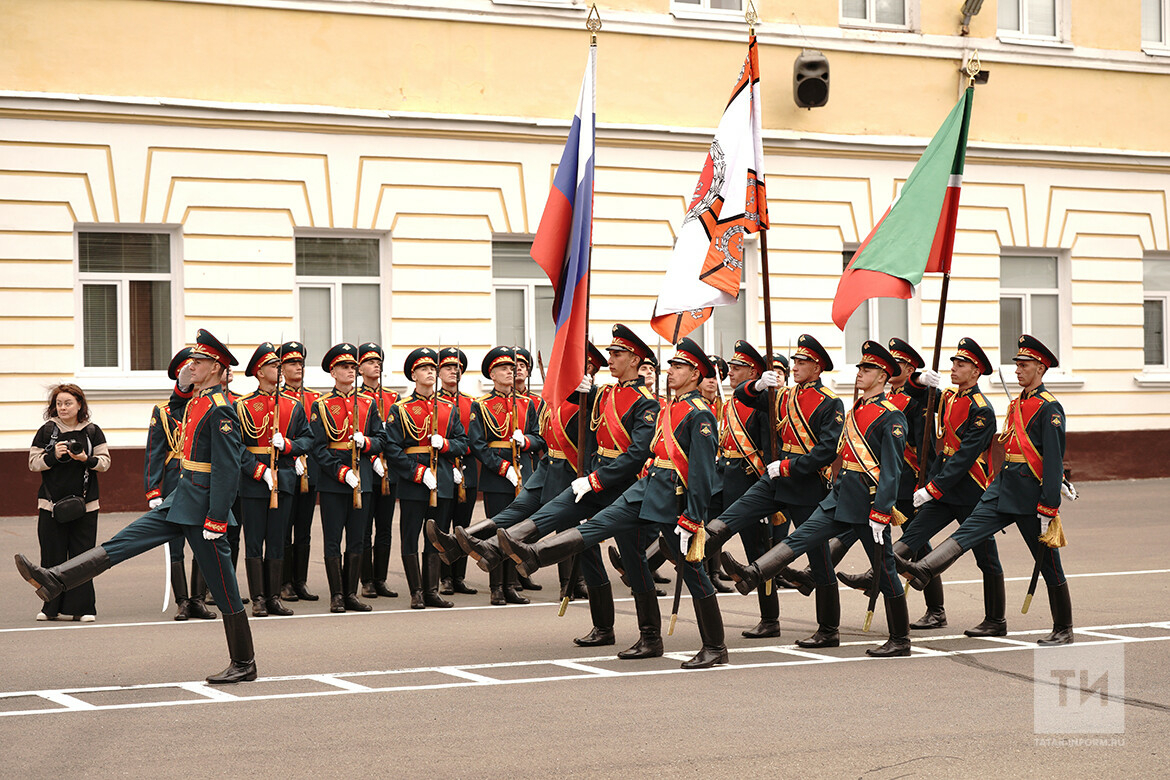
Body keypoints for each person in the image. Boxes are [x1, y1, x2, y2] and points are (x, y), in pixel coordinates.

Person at [15, 329, 257, 683]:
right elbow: (176, 408)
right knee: (125, 542)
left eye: (200, 361)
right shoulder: (198, 400)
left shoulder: (221, 410)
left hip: (204, 508)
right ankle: (56, 579)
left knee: (223, 587)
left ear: (218, 367)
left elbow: (227, 468)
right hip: (182, 498)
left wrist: (218, 518)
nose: (193, 365)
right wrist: (182, 385)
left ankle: (244, 662)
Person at [501, 337, 727, 669]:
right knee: (597, 525)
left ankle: (715, 646)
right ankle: (536, 554)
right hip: (646, 489)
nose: (671, 371)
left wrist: (693, 518)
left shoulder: (699, 415)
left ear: (695, 373)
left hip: (674, 501)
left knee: (692, 572)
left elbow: (703, 475)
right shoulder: (671, 406)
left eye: (679, 367)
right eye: (673, 365)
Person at [440, 325, 661, 653]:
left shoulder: (646, 403)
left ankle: (650, 637)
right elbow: (567, 410)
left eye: (617, 354)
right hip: (595, 482)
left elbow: (635, 455)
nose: (611, 359)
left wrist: (594, 479)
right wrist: (579, 390)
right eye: (610, 354)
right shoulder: (605, 394)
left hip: (625, 488)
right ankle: (500, 548)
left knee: (634, 560)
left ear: (634, 359)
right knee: (553, 510)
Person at [722, 340, 912, 658]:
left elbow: (892, 471)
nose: (860, 373)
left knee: (885, 568)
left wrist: (882, 510)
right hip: (840, 497)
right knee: (800, 539)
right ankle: (755, 573)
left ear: (882, 376)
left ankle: (900, 638)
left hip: (867, 504)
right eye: (860, 367)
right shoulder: (858, 410)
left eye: (866, 369)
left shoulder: (889, 416)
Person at [900, 334, 1074, 646]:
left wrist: (1049, 507)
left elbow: (1051, 463)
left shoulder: (1050, 408)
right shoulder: (1017, 403)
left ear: (1041, 368)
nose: (1018, 369)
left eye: (1025, 364)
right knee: (966, 535)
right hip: (1002, 490)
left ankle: (1064, 627)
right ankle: (924, 569)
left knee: (1048, 564)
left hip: (1030, 497)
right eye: (1017, 364)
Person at [703, 334, 844, 648]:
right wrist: (757, 385)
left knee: (820, 561)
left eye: (802, 361)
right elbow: (742, 395)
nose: (795, 366)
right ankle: (704, 543)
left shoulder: (830, 401)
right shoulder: (784, 396)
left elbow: (826, 450)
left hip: (805, 486)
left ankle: (829, 629)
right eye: (794, 360)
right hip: (774, 480)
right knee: (736, 513)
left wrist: (789, 467)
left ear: (817, 366)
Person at [382, 347, 468, 609]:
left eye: (433, 368)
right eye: (424, 369)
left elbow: (462, 443)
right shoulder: (400, 409)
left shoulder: (448, 408)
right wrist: (417, 472)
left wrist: (445, 446)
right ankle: (416, 591)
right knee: (410, 535)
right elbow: (393, 448)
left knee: (437, 536)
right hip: (413, 482)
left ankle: (431, 590)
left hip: (440, 480)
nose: (430, 372)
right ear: (413, 375)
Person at [236, 343, 314, 617]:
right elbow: (237, 447)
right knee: (255, 540)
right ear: (259, 372)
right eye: (273, 366)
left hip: (284, 479)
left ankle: (273, 596)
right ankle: (258, 598)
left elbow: (308, 439)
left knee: (278, 539)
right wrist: (259, 471)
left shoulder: (293, 405)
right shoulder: (243, 406)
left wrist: (289, 446)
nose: (279, 370)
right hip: (255, 482)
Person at [309, 343, 385, 613]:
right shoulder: (322, 405)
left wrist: (365, 441)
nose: (350, 371)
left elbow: (381, 439)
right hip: (333, 482)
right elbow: (317, 447)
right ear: (333, 372)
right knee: (333, 539)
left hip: (362, 479)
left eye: (353, 367)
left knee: (356, 538)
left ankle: (351, 593)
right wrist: (341, 472)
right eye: (345, 367)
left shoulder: (368, 403)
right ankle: (337, 594)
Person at [465, 346, 542, 605]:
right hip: (498, 477)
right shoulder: (482, 405)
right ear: (492, 375)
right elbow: (477, 443)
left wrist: (528, 441)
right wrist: (502, 467)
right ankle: (496, 586)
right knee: (497, 529)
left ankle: (511, 585)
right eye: (503, 369)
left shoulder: (527, 403)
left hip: (525, 475)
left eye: (512, 368)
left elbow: (539, 436)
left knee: (517, 533)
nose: (510, 372)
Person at [27, 383, 111, 622]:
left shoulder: (92, 431)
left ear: (79, 405)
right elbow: (33, 463)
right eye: (58, 403)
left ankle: (83, 608)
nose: (62, 408)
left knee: (82, 557)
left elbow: (105, 463)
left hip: (86, 506)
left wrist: (85, 458)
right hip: (50, 505)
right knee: (51, 555)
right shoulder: (47, 431)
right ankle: (49, 608)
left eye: (67, 403)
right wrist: (54, 455)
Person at [146, 347, 216, 621]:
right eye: (187, 368)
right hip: (174, 478)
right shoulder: (164, 411)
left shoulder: (208, 405)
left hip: (200, 479)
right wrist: (153, 489)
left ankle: (198, 599)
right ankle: (182, 601)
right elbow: (154, 451)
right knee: (175, 543)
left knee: (201, 540)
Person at [278, 341, 323, 602]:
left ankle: (300, 580)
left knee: (303, 530)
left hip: (310, 469)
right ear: (281, 368)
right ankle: (284, 582)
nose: (298, 367)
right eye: (292, 363)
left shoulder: (315, 399)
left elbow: (318, 437)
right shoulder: (278, 398)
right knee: (284, 528)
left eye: (301, 363)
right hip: (286, 468)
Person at [357, 342, 401, 599]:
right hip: (364, 468)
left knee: (384, 527)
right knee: (364, 528)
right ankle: (366, 580)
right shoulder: (356, 398)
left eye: (378, 362)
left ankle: (381, 578)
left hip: (389, 470)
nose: (376, 365)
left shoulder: (393, 398)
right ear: (360, 368)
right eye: (370, 362)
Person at [436, 346, 478, 595]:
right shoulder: (434, 402)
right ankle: (444, 577)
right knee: (442, 525)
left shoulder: (471, 403)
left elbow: (477, 437)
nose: (454, 371)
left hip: (467, 468)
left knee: (463, 528)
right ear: (439, 372)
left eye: (457, 368)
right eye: (448, 367)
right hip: (441, 468)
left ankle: (459, 576)